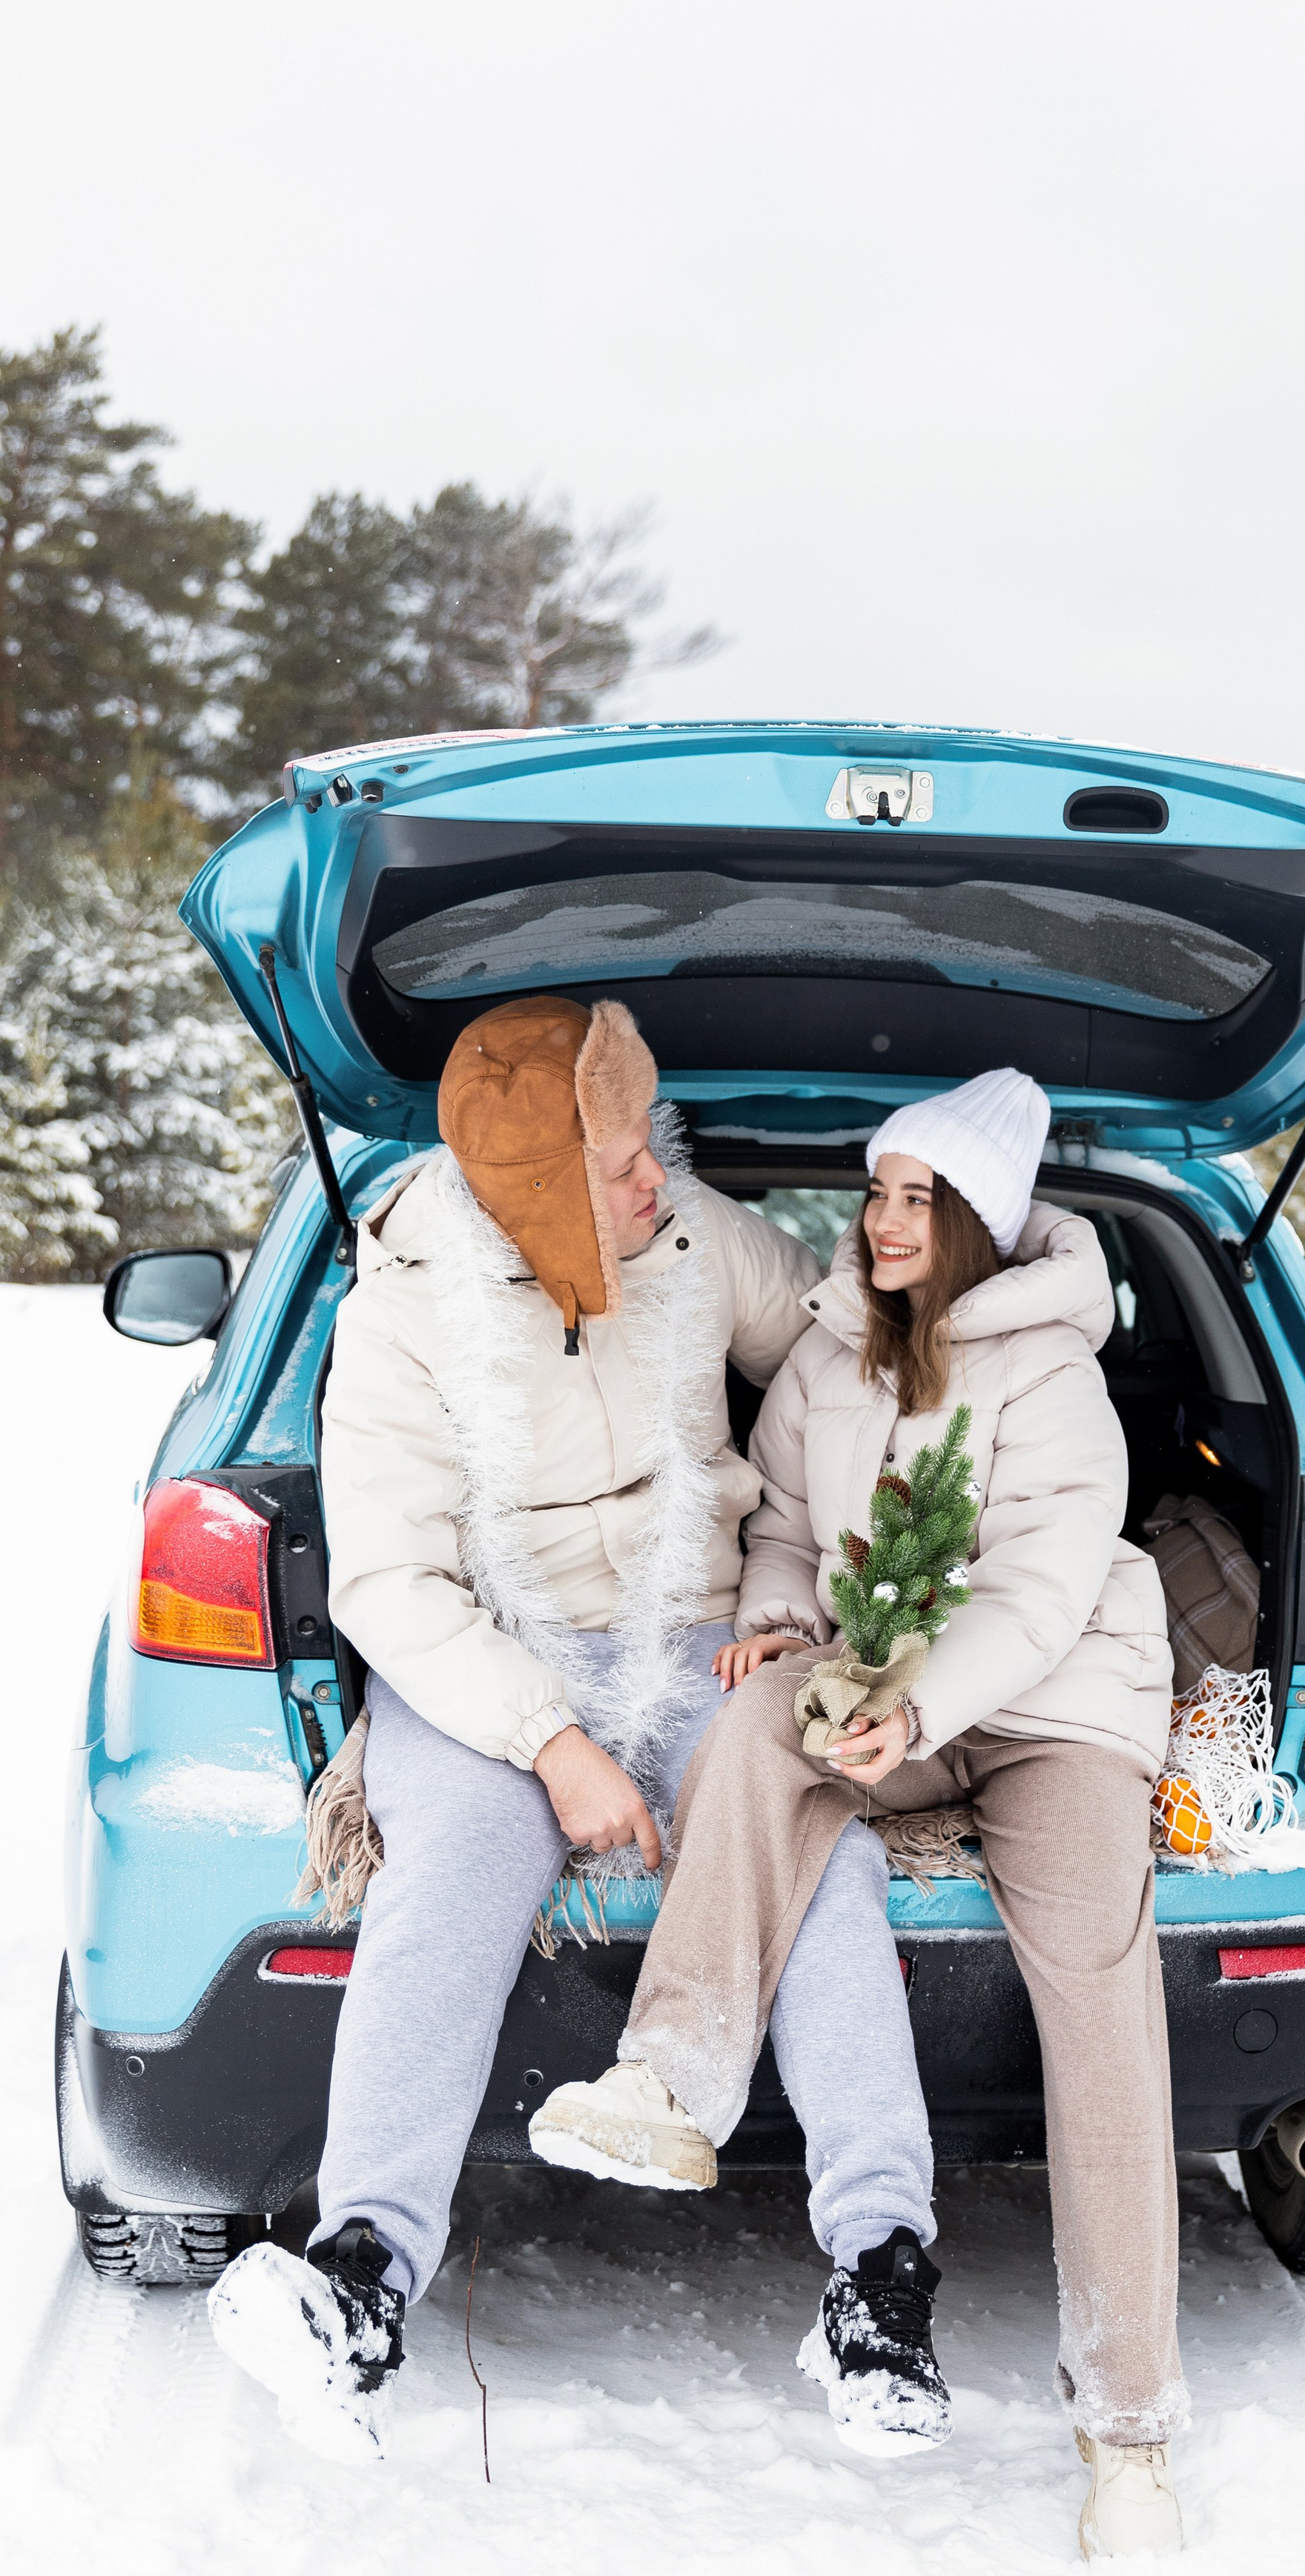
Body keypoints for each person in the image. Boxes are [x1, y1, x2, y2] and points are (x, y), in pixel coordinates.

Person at [207, 995, 928, 2462]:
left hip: (702, 1632)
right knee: (450, 1870)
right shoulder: (405, 1313)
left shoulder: (691, 1237)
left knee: (819, 1858)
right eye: (618, 1161)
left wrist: (847, 1515)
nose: (658, 1176)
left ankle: (883, 2270)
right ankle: (361, 2276)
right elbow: (392, 1585)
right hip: (489, 1658)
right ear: (535, 1183)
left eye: (650, 1142)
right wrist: (552, 1741)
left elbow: (841, 1336)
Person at [535, 1068, 1189, 2558]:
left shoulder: (1053, 1375)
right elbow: (776, 1521)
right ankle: (674, 2079)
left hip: (1048, 1704)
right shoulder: (835, 1348)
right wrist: (777, 1619)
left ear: (980, 1222)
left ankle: (1130, 2432)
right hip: (876, 1676)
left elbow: (1039, 1591)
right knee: (756, 1721)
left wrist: (919, 1705)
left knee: (1101, 2005)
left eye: (918, 1200)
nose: (883, 1221)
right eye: (880, 1191)